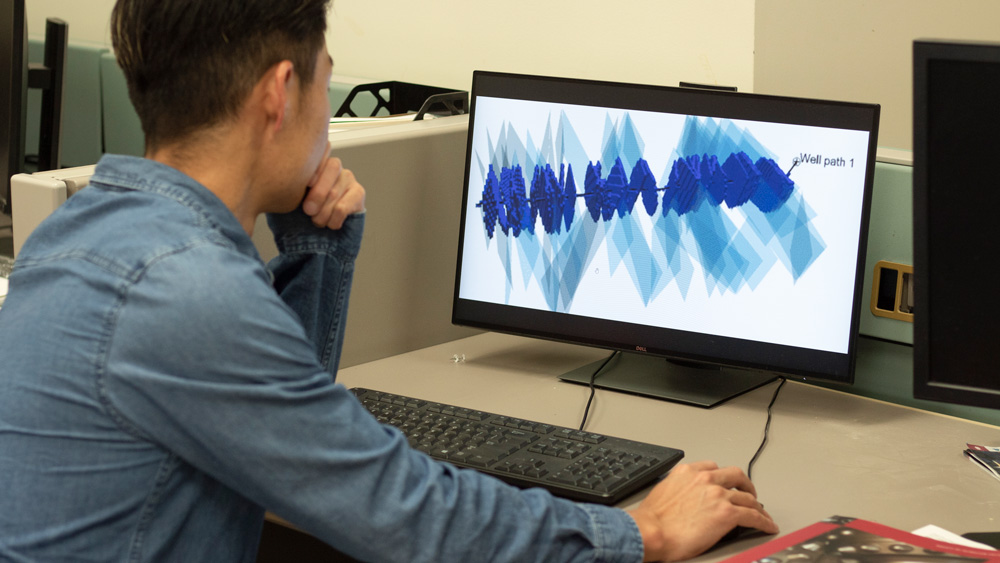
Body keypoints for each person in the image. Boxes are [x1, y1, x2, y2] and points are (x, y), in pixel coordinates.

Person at [0, 0, 778, 560]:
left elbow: (279, 430)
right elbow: (407, 515)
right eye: (324, 86)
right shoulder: (184, 291)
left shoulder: (85, 231)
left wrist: (317, 248)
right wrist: (641, 531)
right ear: (279, 92)